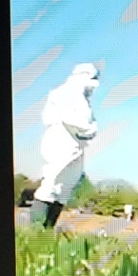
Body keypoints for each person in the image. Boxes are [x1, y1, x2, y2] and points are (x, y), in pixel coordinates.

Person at [30, 63, 100, 229]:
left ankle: (48, 229)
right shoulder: (65, 91)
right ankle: (36, 229)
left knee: (66, 185)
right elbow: (69, 118)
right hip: (62, 138)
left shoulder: (83, 99)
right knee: (52, 181)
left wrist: (90, 130)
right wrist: (90, 129)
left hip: (77, 142)